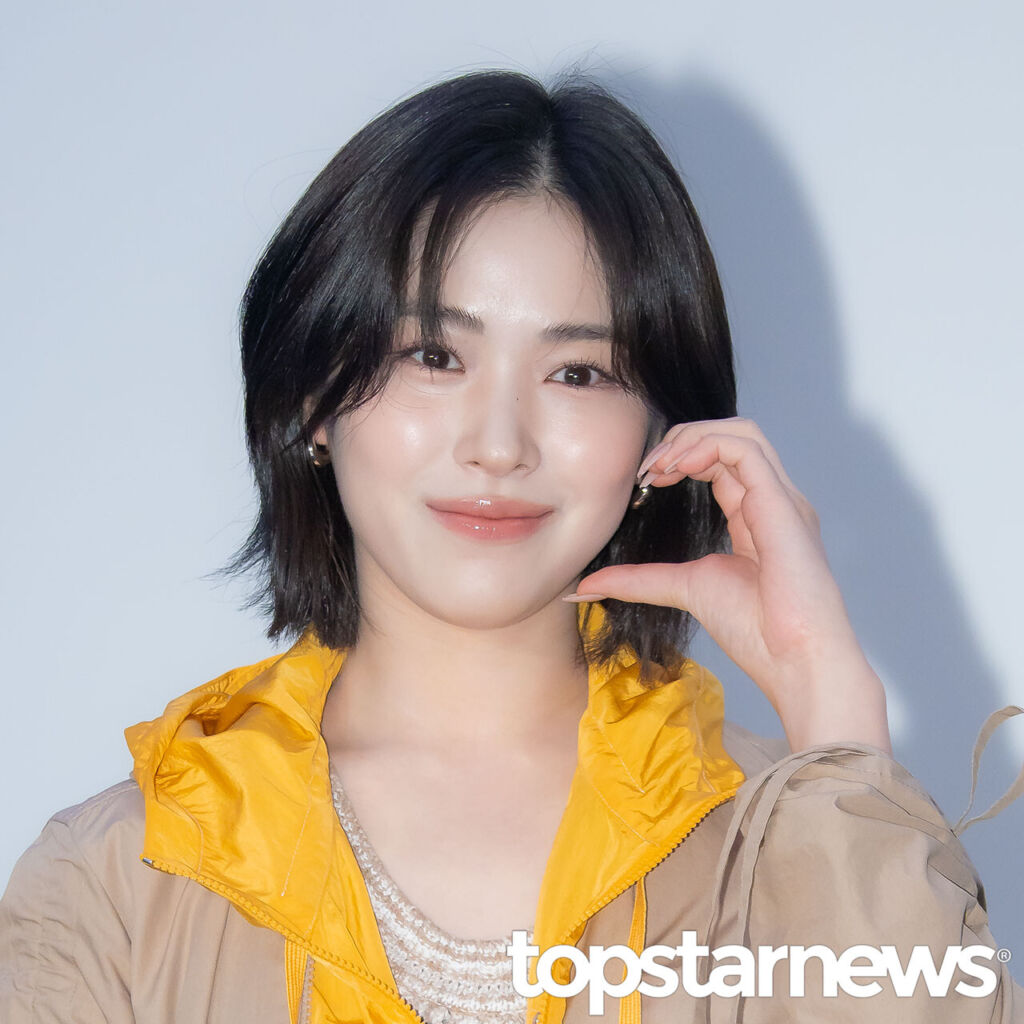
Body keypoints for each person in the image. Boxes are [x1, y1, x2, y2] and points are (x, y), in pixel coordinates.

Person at [1, 68, 1020, 1024]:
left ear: (662, 432)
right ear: (312, 398)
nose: (498, 444)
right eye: (432, 354)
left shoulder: (784, 851)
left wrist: (830, 712)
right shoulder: (118, 881)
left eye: (578, 373)